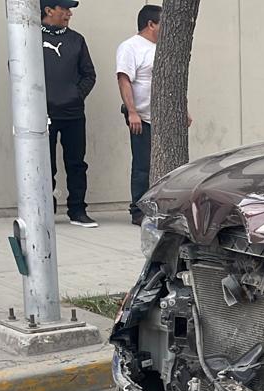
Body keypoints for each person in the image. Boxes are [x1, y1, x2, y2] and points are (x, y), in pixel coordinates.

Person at [41, 0, 97, 228]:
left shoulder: (76, 40)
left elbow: (89, 75)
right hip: (42, 115)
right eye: (64, 9)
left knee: (76, 163)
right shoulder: (30, 38)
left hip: (73, 113)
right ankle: (46, 209)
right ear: (48, 10)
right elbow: (17, 71)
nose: (69, 14)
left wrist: (75, 95)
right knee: (45, 165)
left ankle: (77, 210)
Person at [117, 5, 160, 227]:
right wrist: (132, 111)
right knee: (143, 164)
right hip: (141, 115)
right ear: (151, 24)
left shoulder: (162, 48)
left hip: (161, 117)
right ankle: (138, 210)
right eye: (163, 24)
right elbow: (124, 79)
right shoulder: (130, 47)